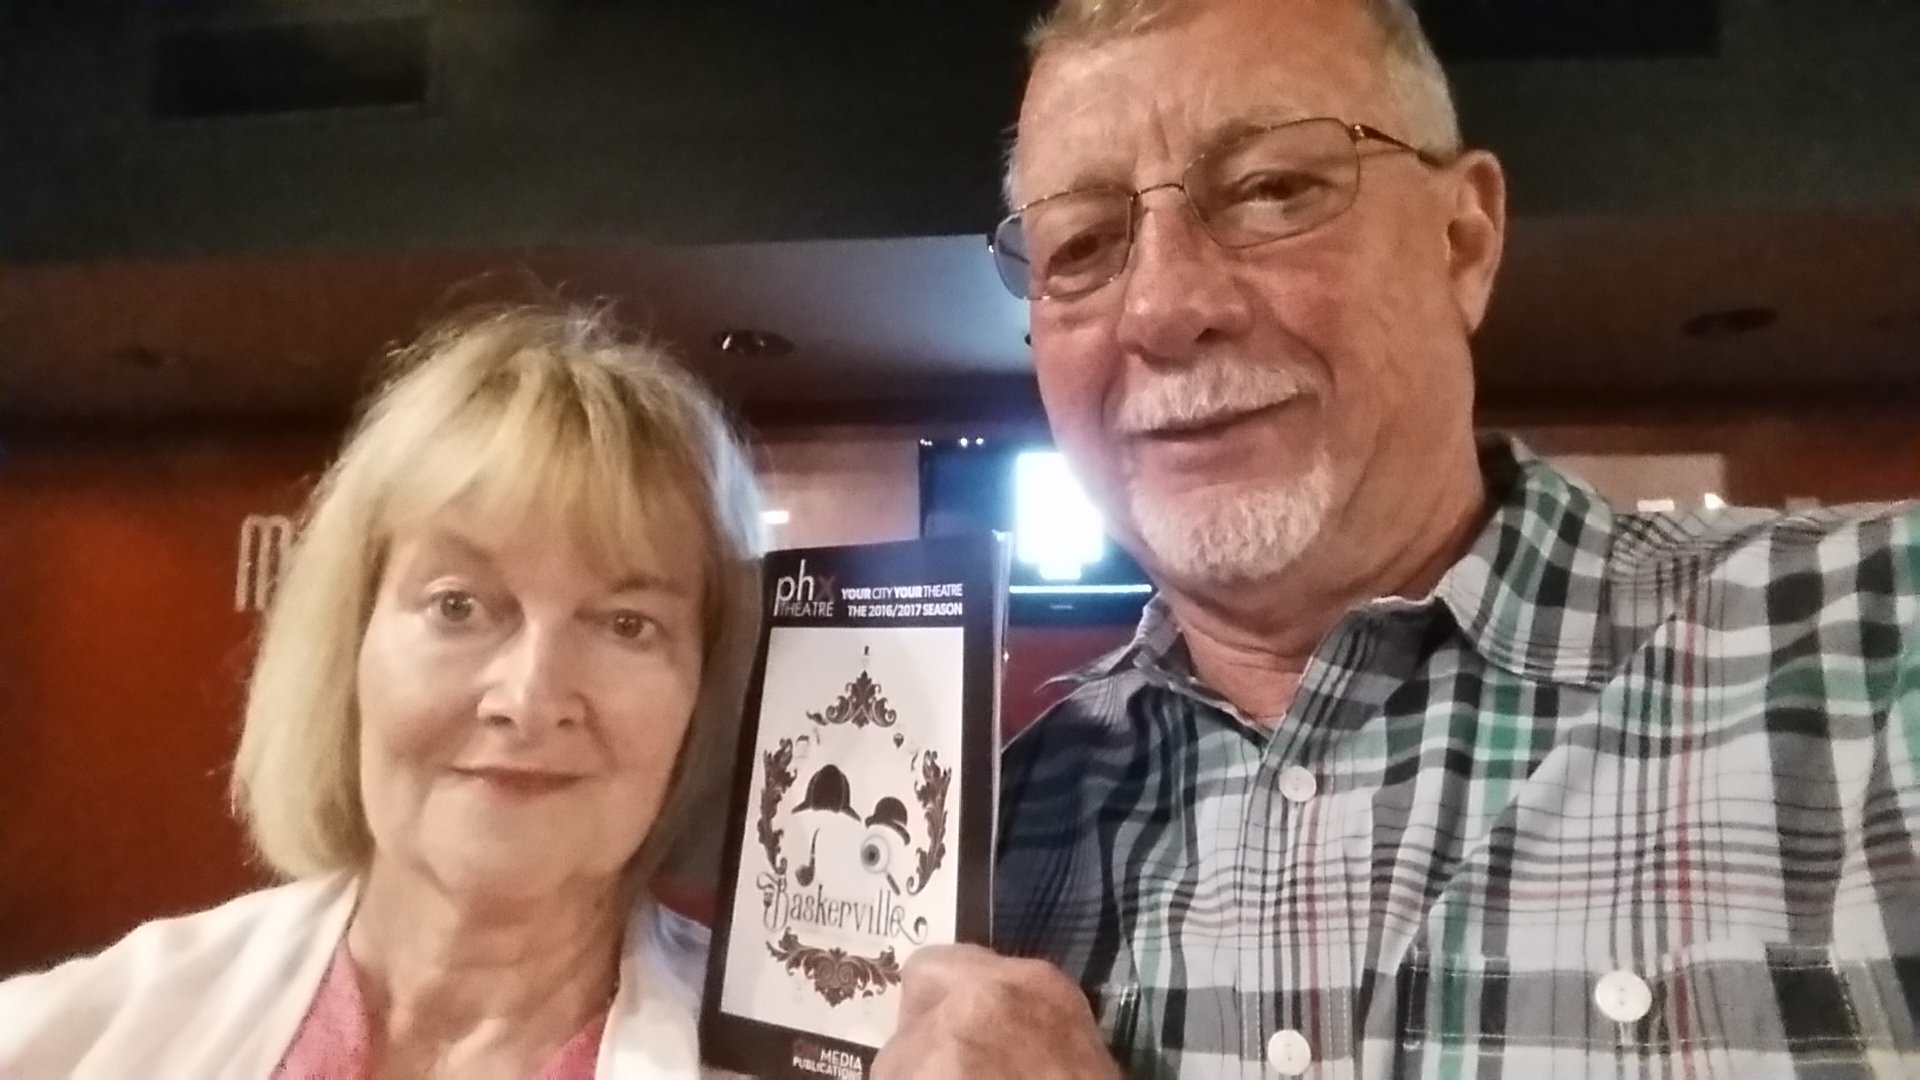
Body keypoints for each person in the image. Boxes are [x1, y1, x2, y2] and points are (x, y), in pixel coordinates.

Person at [877, 1, 1920, 1077]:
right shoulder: (983, 837)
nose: (1163, 307)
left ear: (1463, 241)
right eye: (1084, 244)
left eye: (1272, 189)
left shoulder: (1876, 643)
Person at [0, 306, 764, 1079]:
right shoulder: (66, 1040)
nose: (528, 699)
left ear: (703, 694)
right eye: (458, 605)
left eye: (627, 625)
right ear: (350, 643)